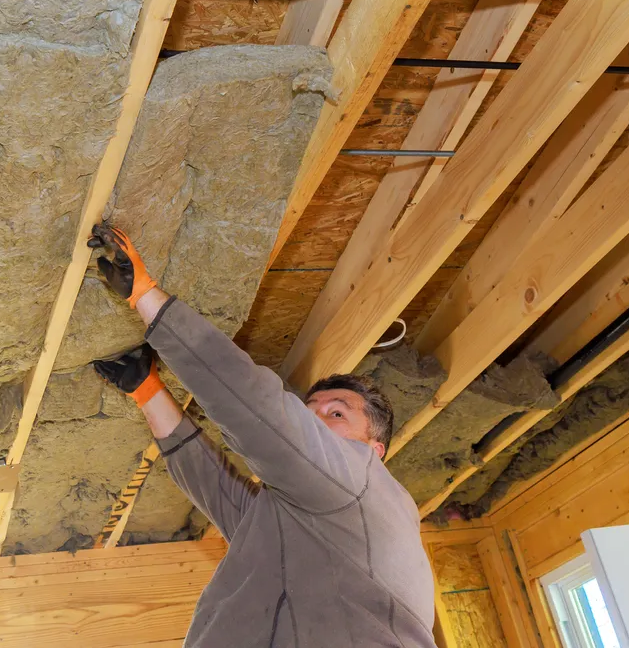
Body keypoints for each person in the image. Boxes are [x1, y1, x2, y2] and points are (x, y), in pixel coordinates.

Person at [88, 224, 438, 647]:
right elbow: (214, 485)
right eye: (309, 410)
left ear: (375, 451)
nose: (314, 420)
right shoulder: (307, 520)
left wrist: (147, 296)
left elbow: (258, 407)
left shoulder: (363, 485)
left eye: (337, 413)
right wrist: (148, 391)